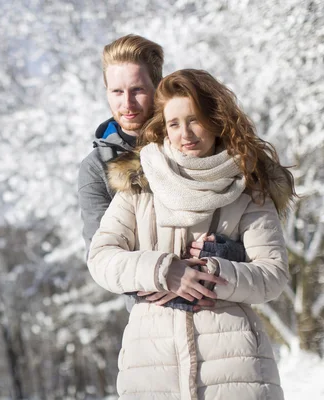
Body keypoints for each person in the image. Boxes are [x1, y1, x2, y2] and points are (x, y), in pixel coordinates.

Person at [87, 69, 295, 399]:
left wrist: (215, 271)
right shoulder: (140, 187)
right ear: (163, 128)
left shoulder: (249, 189)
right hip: (151, 369)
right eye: (174, 123)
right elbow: (100, 258)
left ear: (215, 119)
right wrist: (163, 271)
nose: (186, 133)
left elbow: (273, 275)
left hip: (235, 368)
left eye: (195, 119)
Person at [78, 34, 245, 312]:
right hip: (152, 317)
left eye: (138, 90)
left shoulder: (196, 141)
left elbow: (250, 237)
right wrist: (166, 275)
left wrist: (225, 254)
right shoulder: (97, 167)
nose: (127, 104)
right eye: (117, 92)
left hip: (220, 307)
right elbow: (102, 257)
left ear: (158, 87)